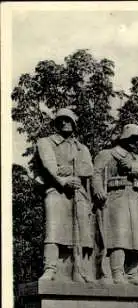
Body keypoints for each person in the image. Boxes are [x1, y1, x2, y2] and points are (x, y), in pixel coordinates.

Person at [36, 108, 94, 282]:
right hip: (56, 190)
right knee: (53, 229)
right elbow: (49, 165)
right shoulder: (46, 142)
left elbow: (89, 168)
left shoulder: (81, 147)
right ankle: (50, 268)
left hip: (78, 193)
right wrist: (64, 180)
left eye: (68, 119)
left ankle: (81, 269)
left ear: (74, 123)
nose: (64, 123)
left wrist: (72, 170)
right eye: (60, 120)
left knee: (82, 230)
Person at [92, 124, 138, 285]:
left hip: (136, 197)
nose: (135, 142)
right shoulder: (107, 154)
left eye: (137, 139)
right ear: (123, 137)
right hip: (116, 196)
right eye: (132, 138)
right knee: (119, 236)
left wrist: (131, 167)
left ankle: (132, 272)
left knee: (137, 237)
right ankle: (117, 271)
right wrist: (98, 190)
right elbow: (95, 174)